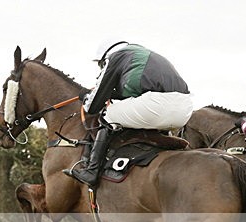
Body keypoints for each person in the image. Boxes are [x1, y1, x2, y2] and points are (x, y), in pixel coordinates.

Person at [66, 39, 193, 187]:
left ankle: (91, 171)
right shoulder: (142, 55)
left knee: (109, 115)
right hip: (185, 109)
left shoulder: (115, 57)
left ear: (104, 58)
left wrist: (86, 97)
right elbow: (136, 90)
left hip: (157, 105)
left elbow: (93, 106)